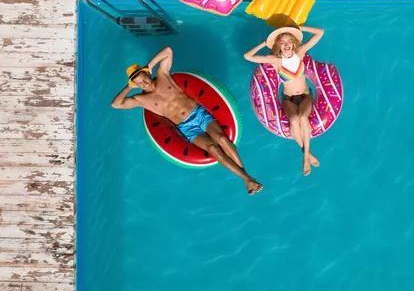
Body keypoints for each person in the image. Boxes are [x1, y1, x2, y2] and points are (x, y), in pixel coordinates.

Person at [111, 47, 263, 195]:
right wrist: (129, 87)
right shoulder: (141, 99)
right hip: (186, 127)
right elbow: (116, 104)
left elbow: (168, 50)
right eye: (139, 83)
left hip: (198, 114)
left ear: (147, 73)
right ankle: (246, 178)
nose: (144, 84)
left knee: (222, 138)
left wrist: (149, 66)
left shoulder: (162, 75)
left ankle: (246, 178)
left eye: (143, 78)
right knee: (213, 148)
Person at [243, 24, 324, 176]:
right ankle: (307, 154)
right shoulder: (275, 61)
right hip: (288, 98)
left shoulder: (300, 53)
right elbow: (247, 56)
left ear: (294, 43)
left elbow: (320, 33)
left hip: (306, 95)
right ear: (278, 45)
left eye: (289, 41)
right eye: (282, 42)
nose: (286, 45)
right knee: (294, 119)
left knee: (302, 116)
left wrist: (299, 28)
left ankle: (306, 157)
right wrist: (264, 44)